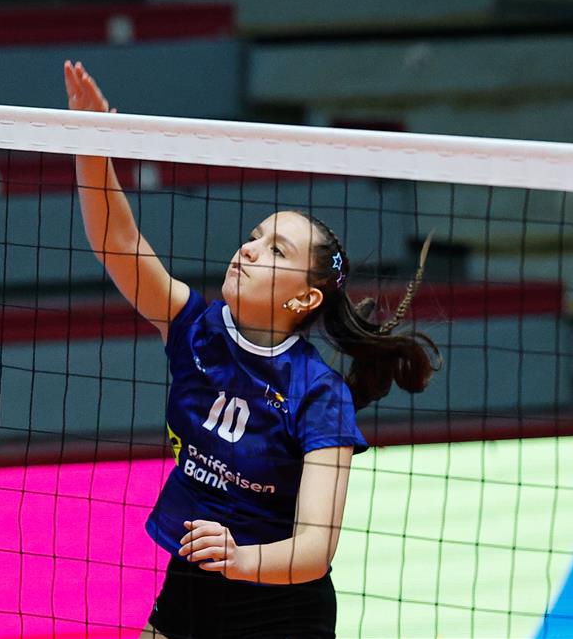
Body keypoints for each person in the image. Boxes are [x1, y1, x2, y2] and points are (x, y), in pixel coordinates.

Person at [62, 61, 441, 639]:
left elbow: (314, 549)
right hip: (192, 583)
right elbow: (117, 241)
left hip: (278, 609)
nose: (250, 249)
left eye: (277, 251)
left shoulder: (318, 394)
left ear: (304, 298)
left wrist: (239, 558)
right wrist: (92, 140)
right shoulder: (194, 328)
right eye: (254, 237)